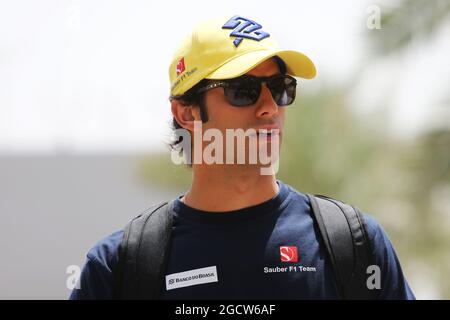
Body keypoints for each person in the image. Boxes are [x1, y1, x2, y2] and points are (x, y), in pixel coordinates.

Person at [70, 15, 415, 300]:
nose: (269, 108)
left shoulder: (354, 244)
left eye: (281, 88)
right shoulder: (119, 267)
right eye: (243, 91)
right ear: (186, 112)